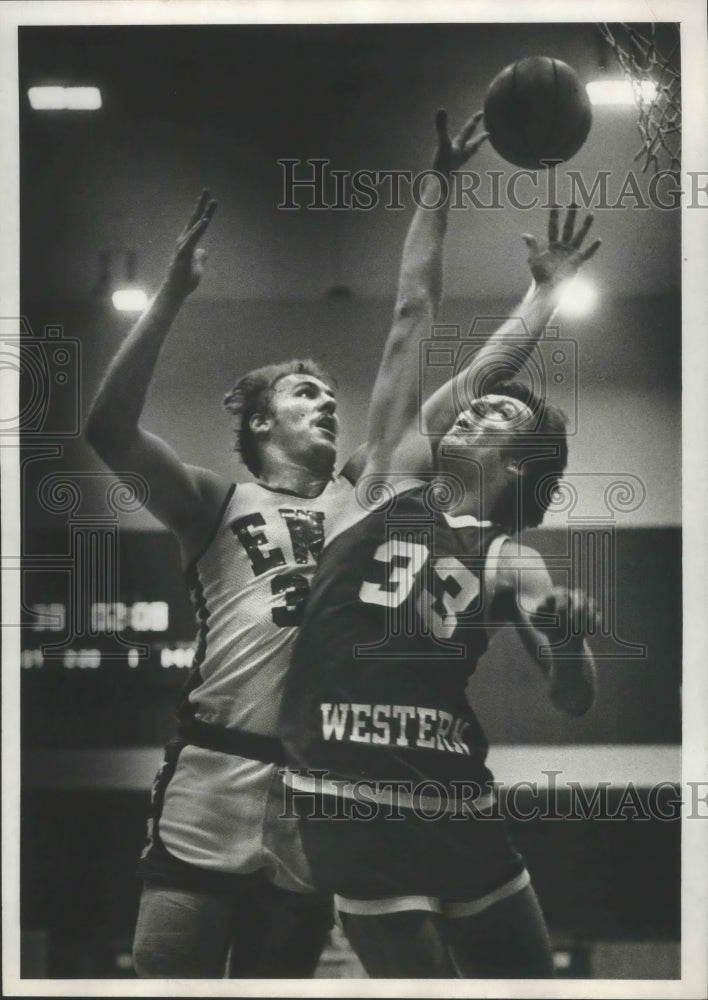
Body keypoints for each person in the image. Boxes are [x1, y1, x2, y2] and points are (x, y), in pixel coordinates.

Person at [85, 110, 590, 978]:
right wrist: (169, 295)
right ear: (255, 421)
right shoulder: (234, 499)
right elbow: (108, 429)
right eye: (303, 393)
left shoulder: (375, 493)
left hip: (348, 779)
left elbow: (471, 376)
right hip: (245, 770)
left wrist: (542, 298)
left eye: (329, 394)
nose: (327, 404)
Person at [278, 112, 601, 978]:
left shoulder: (509, 558)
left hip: (455, 792)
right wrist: (440, 188)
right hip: (346, 787)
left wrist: (568, 645)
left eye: (498, 412)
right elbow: (414, 314)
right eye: (477, 401)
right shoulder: (385, 476)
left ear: (523, 460)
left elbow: (572, 698)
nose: (473, 404)